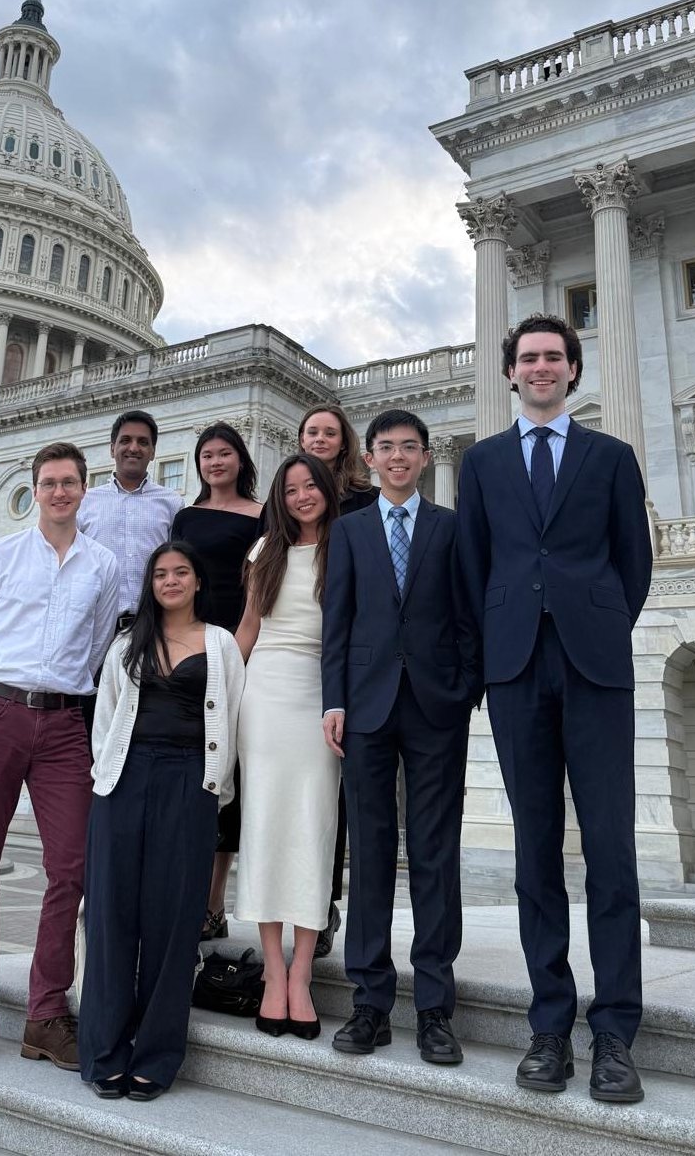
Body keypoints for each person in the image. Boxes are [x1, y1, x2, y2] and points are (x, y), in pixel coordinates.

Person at [457, 314, 652, 1104]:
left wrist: (596, 621)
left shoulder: (611, 456)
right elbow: (474, 567)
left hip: (594, 666)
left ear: (573, 371)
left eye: (553, 358)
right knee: (535, 853)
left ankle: (615, 1035)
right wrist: (500, 643)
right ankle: (549, 1025)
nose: (540, 368)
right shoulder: (481, 462)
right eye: (527, 358)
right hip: (514, 667)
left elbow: (632, 563)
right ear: (510, 374)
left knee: (609, 849)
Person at [0, 441, 119, 1069]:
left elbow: (99, 644)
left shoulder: (103, 567)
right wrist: (3, 700)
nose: (59, 492)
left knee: (71, 868)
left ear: (83, 488)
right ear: (34, 490)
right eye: (48, 483)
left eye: (69, 482)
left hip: (66, 724)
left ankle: (47, 1013)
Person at [322, 408, 480, 1065]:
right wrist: (333, 701)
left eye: (407, 448)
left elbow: (470, 614)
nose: (396, 457)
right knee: (371, 853)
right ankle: (370, 1003)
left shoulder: (451, 528)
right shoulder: (351, 531)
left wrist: (465, 688)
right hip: (365, 709)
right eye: (384, 448)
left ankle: (436, 1008)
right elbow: (339, 620)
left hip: (436, 708)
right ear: (370, 460)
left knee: (436, 855)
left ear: (422, 457)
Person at [78, 541, 245, 1101]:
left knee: (174, 925)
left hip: (189, 783)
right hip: (124, 781)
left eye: (181, 572)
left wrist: (214, 785)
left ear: (198, 581)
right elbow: (104, 719)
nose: (170, 581)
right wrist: (108, 777)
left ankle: (155, 1055)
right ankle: (105, 1051)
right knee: (111, 916)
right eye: (161, 574)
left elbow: (236, 719)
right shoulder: (128, 642)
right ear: (151, 584)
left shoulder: (220, 644)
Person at [234, 453, 341, 1040]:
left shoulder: (345, 547)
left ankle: (304, 971)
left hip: (321, 697)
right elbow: (248, 629)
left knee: (313, 830)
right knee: (265, 827)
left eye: (310, 486)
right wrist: (217, 687)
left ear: (326, 489)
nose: (302, 496)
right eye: (291, 488)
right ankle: (273, 971)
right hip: (265, 695)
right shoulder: (262, 551)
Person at [171, 422, 262, 940]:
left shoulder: (260, 515)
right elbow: (176, 578)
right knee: (193, 771)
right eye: (206, 455)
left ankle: (213, 903)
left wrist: (238, 653)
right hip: (189, 643)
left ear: (240, 460)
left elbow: (258, 588)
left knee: (228, 776)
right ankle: (186, 894)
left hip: (237, 645)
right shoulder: (185, 516)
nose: (215, 462)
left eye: (224, 453)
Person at [296, 403, 379, 956]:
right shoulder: (290, 495)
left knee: (336, 793)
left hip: (350, 654)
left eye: (330, 432)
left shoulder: (366, 500)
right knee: (290, 794)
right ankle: (295, 902)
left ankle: (323, 903)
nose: (321, 439)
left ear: (344, 440)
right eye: (312, 432)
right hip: (293, 659)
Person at [78, 409, 184, 631]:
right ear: (112, 448)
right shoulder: (85, 502)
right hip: (95, 626)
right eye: (125, 440)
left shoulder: (172, 503)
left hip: (153, 626)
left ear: (153, 451)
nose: (134, 448)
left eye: (143, 442)